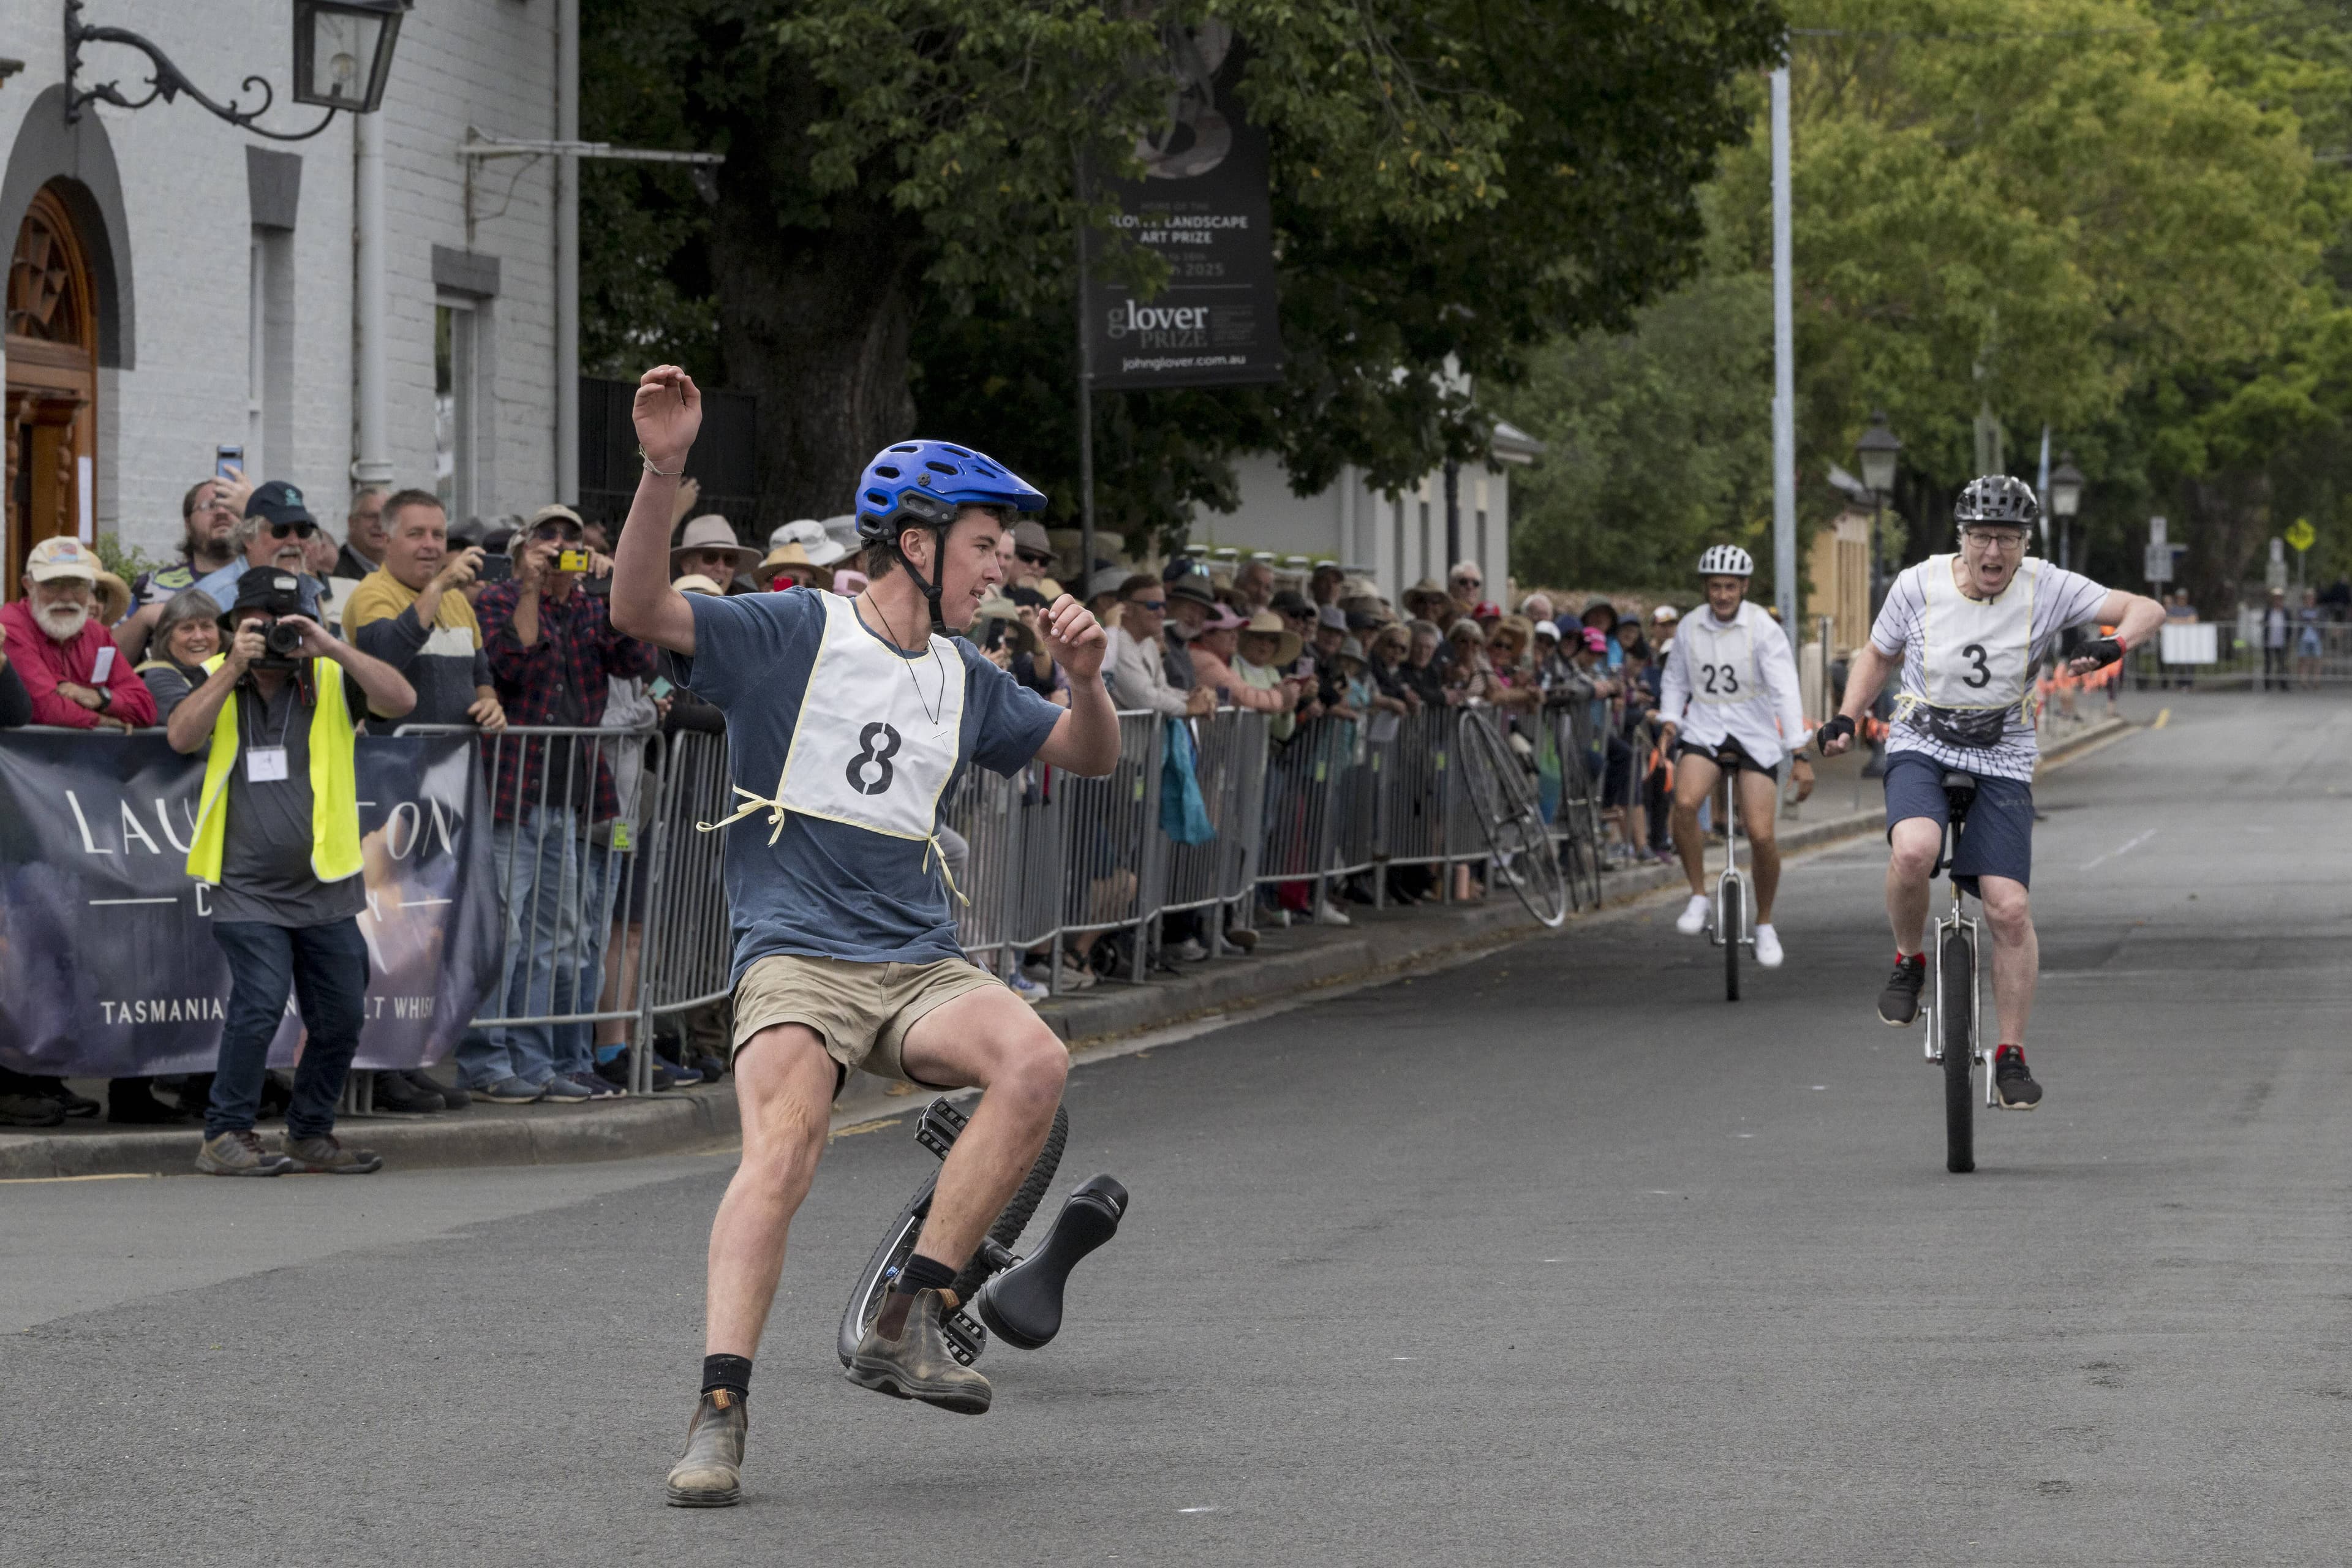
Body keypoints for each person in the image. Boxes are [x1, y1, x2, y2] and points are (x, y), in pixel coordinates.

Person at [606, 367, 1116, 1507]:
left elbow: (1091, 758)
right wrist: (661, 471)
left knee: (1035, 1060)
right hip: (796, 951)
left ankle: (911, 1312)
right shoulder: (794, 628)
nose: (1005, 567)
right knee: (783, 1153)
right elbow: (637, 611)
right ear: (918, 543)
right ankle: (720, 1411)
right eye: (988, 544)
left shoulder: (966, 675)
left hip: (916, 957)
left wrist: (1088, 682)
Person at [1818, 475, 2163, 1108]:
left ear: (2023, 543)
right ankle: (1908, 959)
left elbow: (2148, 608)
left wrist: (2115, 642)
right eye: (1982, 537)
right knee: (1915, 850)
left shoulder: (2049, 585)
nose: (1994, 553)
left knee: (2007, 908)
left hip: (2002, 754)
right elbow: (1876, 654)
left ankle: (2009, 1054)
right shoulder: (1917, 583)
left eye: (2007, 538)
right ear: (1963, 538)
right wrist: (1846, 715)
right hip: (1922, 740)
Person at [165, 568, 417, 1174]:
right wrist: (233, 666)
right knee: (259, 1002)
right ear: (236, 624)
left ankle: (309, 1133)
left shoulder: (331, 675)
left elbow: (402, 700)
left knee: (341, 1014)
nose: (277, 634)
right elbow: (180, 736)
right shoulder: (211, 678)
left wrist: (329, 645)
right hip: (245, 884)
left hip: (326, 883)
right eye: (261, 621)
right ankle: (224, 1134)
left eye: (288, 620)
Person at [462, 505, 655, 1104]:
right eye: (547, 537)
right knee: (507, 936)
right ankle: (487, 1059)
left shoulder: (591, 607)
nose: (560, 547)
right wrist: (528, 586)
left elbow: (640, 662)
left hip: (573, 798)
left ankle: (545, 1058)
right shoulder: (497, 599)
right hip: (511, 795)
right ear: (523, 548)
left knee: (562, 938)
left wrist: (616, 583)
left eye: (571, 538)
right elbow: (513, 664)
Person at [1656, 546, 1811, 962]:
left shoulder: (1762, 628)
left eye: (1730, 587)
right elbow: (1675, 680)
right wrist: (1670, 720)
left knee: (1761, 834)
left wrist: (1799, 750)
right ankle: (1697, 895)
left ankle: (1764, 923)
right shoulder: (1689, 627)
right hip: (1705, 728)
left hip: (1754, 733)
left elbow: (1784, 689)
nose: (1722, 595)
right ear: (1705, 588)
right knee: (1685, 803)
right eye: (1715, 587)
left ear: (1744, 587)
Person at [343, 489, 507, 733]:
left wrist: (490, 703)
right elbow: (386, 657)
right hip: (391, 759)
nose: (430, 545)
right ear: (388, 542)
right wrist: (437, 587)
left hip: (457, 760)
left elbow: (480, 675)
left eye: (438, 535)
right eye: (416, 534)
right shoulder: (371, 593)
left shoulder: (457, 600)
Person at [1, 537, 157, 731]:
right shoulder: (10, 625)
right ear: (29, 585)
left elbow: (146, 708)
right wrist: (103, 721)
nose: (67, 596)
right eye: (53, 584)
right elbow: (45, 708)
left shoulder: (97, 635)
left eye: (78, 585)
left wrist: (100, 698)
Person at [115, 473, 254, 662]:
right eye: (209, 506)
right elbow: (108, 661)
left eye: (231, 507)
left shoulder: (262, 578)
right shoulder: (151, 586)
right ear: (188, 524)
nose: (222, 512)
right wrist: (144, 617)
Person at [191, 481, 329, 621]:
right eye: (281, 530)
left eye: (303, 531)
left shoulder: (308, 588)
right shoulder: (211, 597)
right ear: (248, 538)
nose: (294, 542)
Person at [1107, 574, 1214, 717]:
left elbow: (1162, 689)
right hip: (1120, 737)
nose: (1162, 613)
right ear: (1126, 609)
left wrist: (1195, 697)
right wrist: (1187, 708)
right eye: (1153, 606)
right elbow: (1143, 697)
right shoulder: (1117, 642)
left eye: (1163, 606)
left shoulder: (1148, 643)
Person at [135, 589, 227, 722]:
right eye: (187, 628)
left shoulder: (228, 669)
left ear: (221, 635)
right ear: (167, 637)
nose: (198, 637)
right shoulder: (157, 677)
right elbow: (190, 728)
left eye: (206, 627)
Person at [672, 514, 761, 592]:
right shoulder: (665, 608)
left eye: (729, 559)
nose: (721, 568)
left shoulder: (744, 609)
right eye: (710, 558)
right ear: (687, 566)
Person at [2261, 588, 2291, 691]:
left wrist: (2288, 639)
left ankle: (2283, 684)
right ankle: (2267, 685)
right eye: (2276, 599)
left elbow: (2290, 626)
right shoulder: (2269, 611)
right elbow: (2264, 623)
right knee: (2268, 663)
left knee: (2282, 663)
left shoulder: (2286, 612)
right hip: (2270, 640)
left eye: (2280, 599)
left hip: (2281, 641)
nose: (2278, 601)